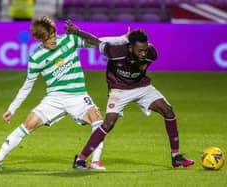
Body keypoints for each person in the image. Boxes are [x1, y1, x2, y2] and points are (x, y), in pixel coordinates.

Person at [0, 16, 106, 170]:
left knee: (97, 119)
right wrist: (12, 108)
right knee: (28, 124)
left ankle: (95, 161)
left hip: (78, 96)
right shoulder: (36, 58)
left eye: (53, 35)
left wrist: (81, 33)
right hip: (54, 98)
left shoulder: (69, 40)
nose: (53, 40)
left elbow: (97, 43)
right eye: (48, 39)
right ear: (40, 40)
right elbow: (27, 86)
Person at [64, 21, 195, 169]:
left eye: (145, 49)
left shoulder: (152, 53)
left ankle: (176, 156)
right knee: (108, 123)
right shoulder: (115, 51)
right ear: (130, 47)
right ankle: (80, 159)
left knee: (168, 111)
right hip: (119, 90)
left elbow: (144, 60)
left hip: (142, 87)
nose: (143, 53)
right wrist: (77, 31)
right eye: (140, 50)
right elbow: (95, 42)